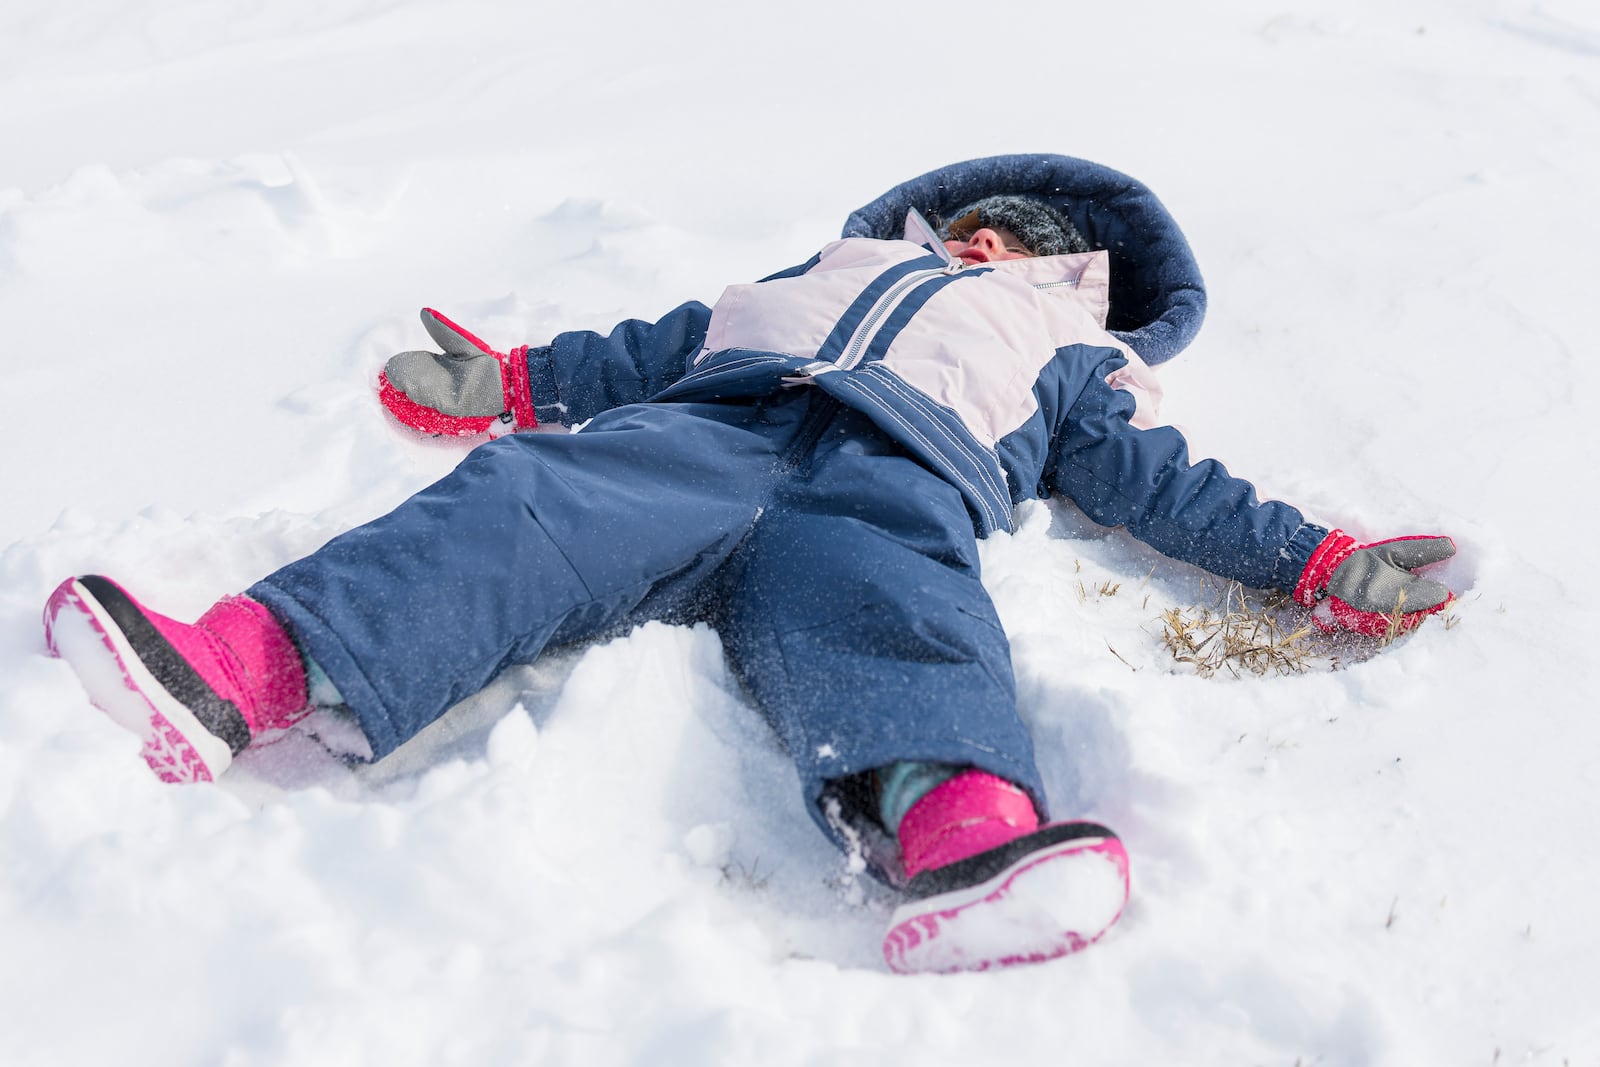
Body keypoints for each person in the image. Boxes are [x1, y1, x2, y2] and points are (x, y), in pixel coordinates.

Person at [40, 155, 1457, 976]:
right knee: (520, 506)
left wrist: (1317, 557)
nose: (989, 244)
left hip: (896, 488)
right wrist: (509, 381)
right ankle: (240, 670)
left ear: (1074, 281)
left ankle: (961, 837)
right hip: (699, 438)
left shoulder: (1069, 357)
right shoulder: (800, 281)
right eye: (979, 224)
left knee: (905, 628)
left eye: (1031, 247)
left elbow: (1165, 485)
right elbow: (639, 352)